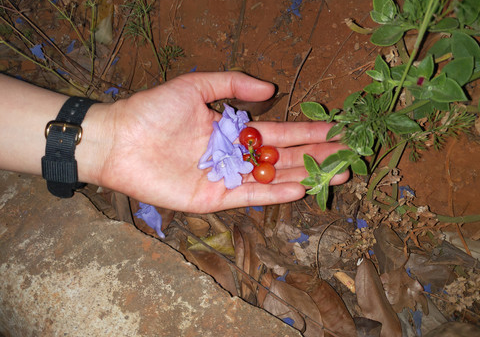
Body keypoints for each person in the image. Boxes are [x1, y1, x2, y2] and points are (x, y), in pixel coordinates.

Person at [0, 72, 348, 213]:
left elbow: (243, 147)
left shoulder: (245, 152)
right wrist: (109, 139)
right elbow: (239, 151)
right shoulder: (242, 154)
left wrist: (107, 138)